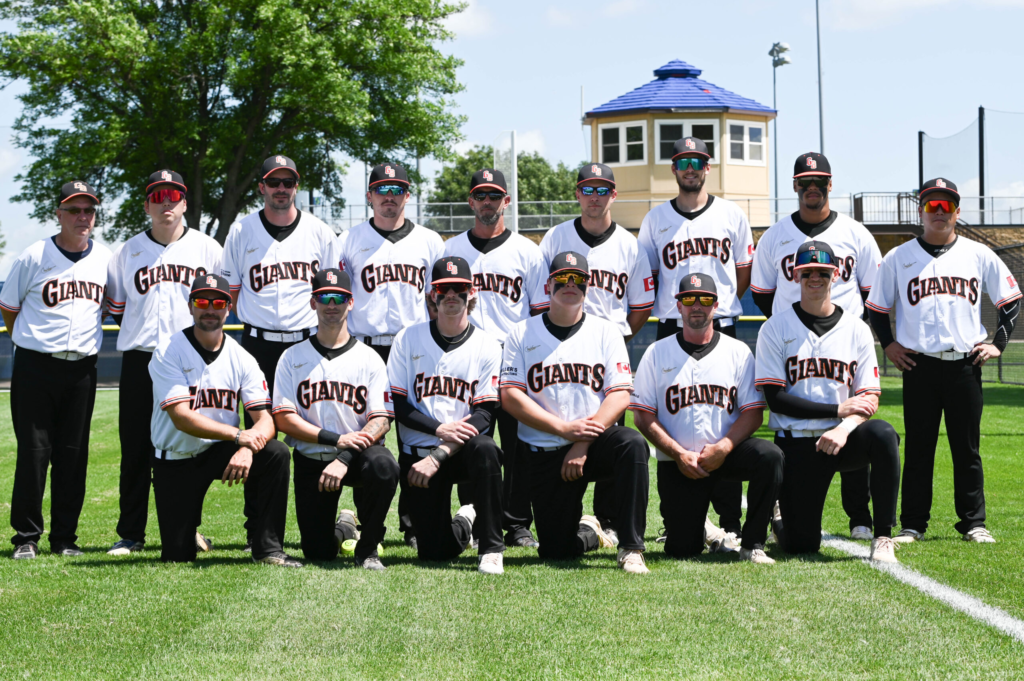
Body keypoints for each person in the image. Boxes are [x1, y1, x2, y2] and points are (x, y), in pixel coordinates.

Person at [866, 178, 1021, 544]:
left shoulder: (978, 254)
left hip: (964, 365)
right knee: (919, 448)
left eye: (946, 206)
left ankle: (974, 523)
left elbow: (1010, 299)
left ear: (957, 212)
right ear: (921, 211)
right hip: (918, 365)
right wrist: (888, 344)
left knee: (966, 448)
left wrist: (998, 343)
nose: (939, 212)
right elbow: (876, 307)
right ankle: (913, 524)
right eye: (932, 205)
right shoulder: (899, 257)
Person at [750, 152, 881, 541]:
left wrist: (848, 330)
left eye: (819, 181)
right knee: (798, 535)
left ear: (830, 184)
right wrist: (792, 322)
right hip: (795, 338)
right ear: (794, 186)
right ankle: (787, 507)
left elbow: (872, 292)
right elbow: (762, 293)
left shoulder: (856, 233)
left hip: (844, 338)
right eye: (805, 182)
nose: (812, 188)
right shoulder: (775, 236)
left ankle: (861, 518)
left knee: (854, 423)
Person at [500, 251, 650, 574]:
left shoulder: (606, 331)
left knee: (632, 445)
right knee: (556, 552)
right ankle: (590, 533)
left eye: (578, 279)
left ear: (588, 285)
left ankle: (632, 547)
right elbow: (511, 396)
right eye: (563, 279)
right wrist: (563, 430)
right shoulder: (521, 333)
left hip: (593, 443)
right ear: (548, 285)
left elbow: (620, 393)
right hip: (545, 450)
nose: (570, 285)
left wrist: (581, 442)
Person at [636, 136, 755, 544]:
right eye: (683, 161)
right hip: (673, 322)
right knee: (676, 418)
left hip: (720, 321)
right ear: (674, 168)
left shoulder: (732, 214)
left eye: (698, 161)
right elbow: (648, 276)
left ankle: (729, 520)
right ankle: (680, 516)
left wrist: (717, 304)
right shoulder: (656, 219)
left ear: (708, 167)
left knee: (723, 416)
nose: (691, 168)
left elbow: (742, 273)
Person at [220, 154, 340, 549]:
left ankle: (322, 525)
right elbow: (229, 294)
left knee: (315, 436)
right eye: (275, 182)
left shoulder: (321, 232)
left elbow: (333, 291)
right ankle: (260, 531)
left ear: (296, 186)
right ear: (262, 187)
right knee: (259, 441)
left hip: (309, 345)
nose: (282, 189)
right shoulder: (241, 231)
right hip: (257, 345)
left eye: (288, 182)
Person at [755, 241, 901, 563]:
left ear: (836, 275)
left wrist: (844, 426)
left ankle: (883, 537)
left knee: (883, 434)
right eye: (807, 272)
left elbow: (869, 395)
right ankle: (779, 514)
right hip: (796, 443)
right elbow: (775, 399)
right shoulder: (774, 328)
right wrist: (836, 410)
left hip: (841, 439)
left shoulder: (857, 329)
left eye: (823, 272)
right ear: (796, 276)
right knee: (800, 545)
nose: (815, 278)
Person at [105, 169, 223, 556]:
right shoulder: (128, 250)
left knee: (192, 445)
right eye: (158, 197)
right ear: (147, 205)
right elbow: (119, 307)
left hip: (189, 359)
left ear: (185, 203)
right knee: (135, 447)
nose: (166, 203)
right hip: (140, 358)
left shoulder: (208, 248)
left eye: (173, 196)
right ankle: (130, 534)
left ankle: (189, 528)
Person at [631, 273, 783, 564]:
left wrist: (725, 446)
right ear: (678, 306)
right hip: (679, 462)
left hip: (729, 454)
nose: (696, 305)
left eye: (705, 299)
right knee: (681, 549)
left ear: (716, 305)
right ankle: (707, 531)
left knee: (770, 456)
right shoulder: (656, 352)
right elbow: (642, 416)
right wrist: (677, 453)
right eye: (689, 299)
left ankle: (753, 544)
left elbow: (753, 413)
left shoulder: (738, 352)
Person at [540, 163, 655, 544]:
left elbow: (640, 304)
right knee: (556, 426)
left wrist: (615, 340)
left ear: (613, 195)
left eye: (602, 189)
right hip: (560, 345)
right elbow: (542, 297)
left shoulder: (629, 244)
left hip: (608, 349)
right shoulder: (555, 238)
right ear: (577, 194)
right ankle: (549, 510)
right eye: (588, 189)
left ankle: (607, 519)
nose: (595, 197)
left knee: (613, 434)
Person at [148, 274, 297, 566]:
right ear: (190, 306)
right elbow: (181, 418)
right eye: (202, 301)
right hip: (175, 456)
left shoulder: (242, 357)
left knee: (275, 453)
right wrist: (238, 436)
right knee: (177, 557)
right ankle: (187, 531)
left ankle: (267, 548)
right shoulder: (168, 350)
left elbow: (265, 420)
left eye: (219, 303)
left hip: (219, 449)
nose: (210, 309)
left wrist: (246, 447)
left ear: (229, 308)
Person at [1, 181, 112, 560]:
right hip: (36, 366)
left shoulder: (105, 259)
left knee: (73, 454)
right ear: (59, 214)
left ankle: (65, 538)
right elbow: (9, 307)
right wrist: (30, 345)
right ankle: (26, 537)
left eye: (88, 211)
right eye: (74, 210)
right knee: (34, 453)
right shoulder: (35, 255)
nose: (82, 217)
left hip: (82, 369)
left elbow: (112, 306)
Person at [441, 168, 547, 549]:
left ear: (507, 201)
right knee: (472, 438)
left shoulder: (527, 251)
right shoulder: (450, 249)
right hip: (466, 357)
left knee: (520, 444)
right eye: (480, 195)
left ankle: (517, 522)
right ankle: (474, 516)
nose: (488, 202)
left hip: (513, 355)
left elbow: (539, 312)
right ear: (471, 201)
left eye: (494, 195)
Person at [341, 162, 445, 548]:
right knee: (364, 432)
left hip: (413, 347)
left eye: (397, 189)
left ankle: (414, 521)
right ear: (369, 195)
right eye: (382, 189)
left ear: (407, 194)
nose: (389, 196)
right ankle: (365, 520)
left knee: (415, 435)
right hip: (364, 346)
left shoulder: (430, 241)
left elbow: (439, 298)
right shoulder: (349, 239)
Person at [272, 268, 399, 570]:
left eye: (339, 297)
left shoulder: (369, 358)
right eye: (324, 297)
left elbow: (381, 421)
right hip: (313, 458)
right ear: (313, 302)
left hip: (357, 457)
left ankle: (367, 550)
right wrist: (335, 439)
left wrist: (343, 456)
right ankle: (345, 525)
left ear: (351, 302)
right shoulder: (292, 357)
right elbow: (283, 418)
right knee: (317, 553)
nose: (332, 305)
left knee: (384, 464)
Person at [388, 256, 506, 574]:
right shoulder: (407, 338)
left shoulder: (487, 345)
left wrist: (440, 452)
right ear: (432, 295)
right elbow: (398, 405)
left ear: (471, 294)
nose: (451, 294)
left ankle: (492, 547)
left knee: (486, 449)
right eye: (444, 289)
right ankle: (465, 521)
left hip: (460, 451)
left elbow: (483, 415)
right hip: (418, 456)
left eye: (459, 288)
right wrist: (440, 429)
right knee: (434, 553)